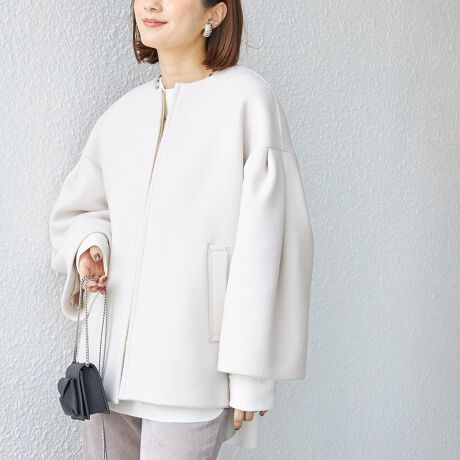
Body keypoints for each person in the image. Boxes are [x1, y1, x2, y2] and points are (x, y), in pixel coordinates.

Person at [48, 0, 314, 459]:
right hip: (105, 372)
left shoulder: (247, 101)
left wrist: (251, 374)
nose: (150, 4)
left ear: (216, 13)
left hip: (190, 369)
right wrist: (91, 245)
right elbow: (81, 210)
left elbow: (268, 244)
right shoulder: (120, 116)